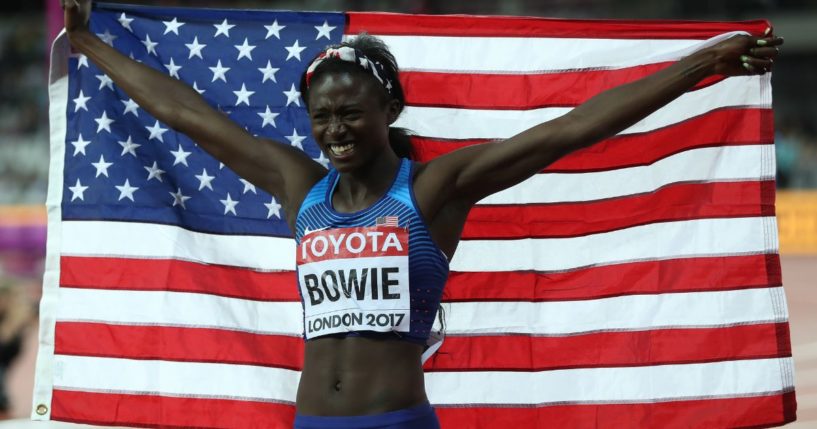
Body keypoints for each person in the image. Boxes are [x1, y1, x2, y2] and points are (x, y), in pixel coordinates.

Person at [62, 0, 783, 427]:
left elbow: (570, 129)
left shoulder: (434, 189)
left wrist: (704, 64)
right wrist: (90, 44)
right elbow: (188, 114)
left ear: (390, 111)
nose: (334, 130)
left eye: (350, 113)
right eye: (321, 118)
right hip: (310, 420)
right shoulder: (298, 184)